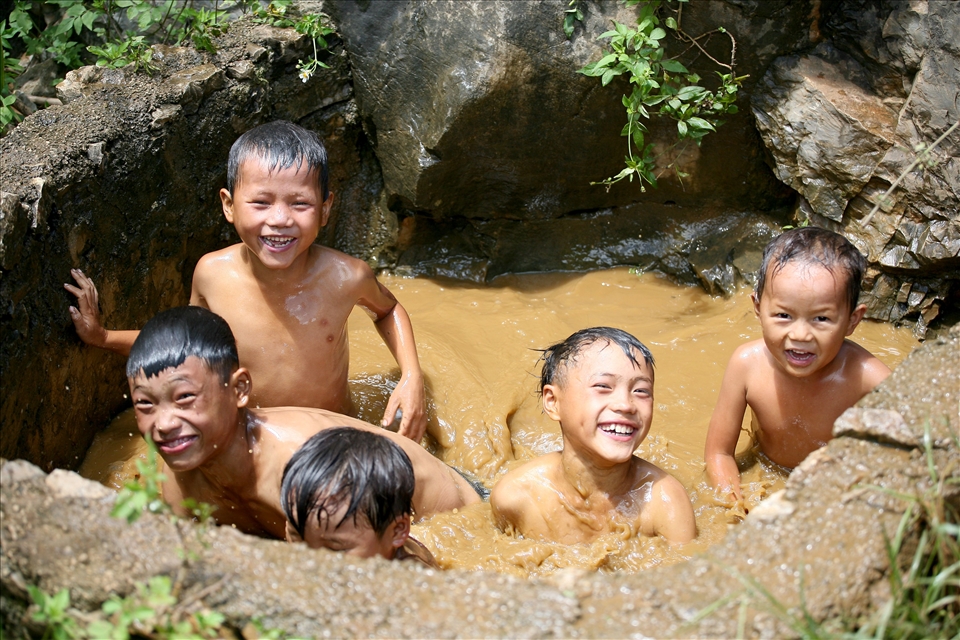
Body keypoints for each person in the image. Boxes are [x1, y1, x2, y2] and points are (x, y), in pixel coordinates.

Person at [66, 120, 427, 441]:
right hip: (252, 436)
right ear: (228, 205)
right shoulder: (212, 275)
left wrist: (411, 377)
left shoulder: (347, 276)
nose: (280, 219)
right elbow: (187, 348)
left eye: (300, 203)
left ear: (326, 208)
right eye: (261, 202)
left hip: (332, 435)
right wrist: (103, 337)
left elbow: (387, 309)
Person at [125, 306, 481, 539]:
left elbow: (396, 560)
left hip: (451, 513)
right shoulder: (178, 476)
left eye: (185, 398)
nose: (165, 423)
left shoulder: (304, 466)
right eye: (145, 404)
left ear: (239, 390)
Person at [704, 227, 891, 501]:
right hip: (764, 466)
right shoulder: (746, 365)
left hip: (832, 487)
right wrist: (736, 506)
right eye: (783, 315)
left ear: (852, 320)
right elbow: (718, 454)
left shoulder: (868, 377)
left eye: (821, 319)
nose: (801, 335)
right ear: (758, 308)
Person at [490, 327, 696, 545]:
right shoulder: (516, 498)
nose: (625, 405)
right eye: (603, 386)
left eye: (641, 391)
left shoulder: (665, 503)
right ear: (553, 402)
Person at [282, 427, 440, 568]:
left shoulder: (415, 583)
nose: (308, 564)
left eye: (334, 551)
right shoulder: (333, 535)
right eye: (296, 538)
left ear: (397, 532)